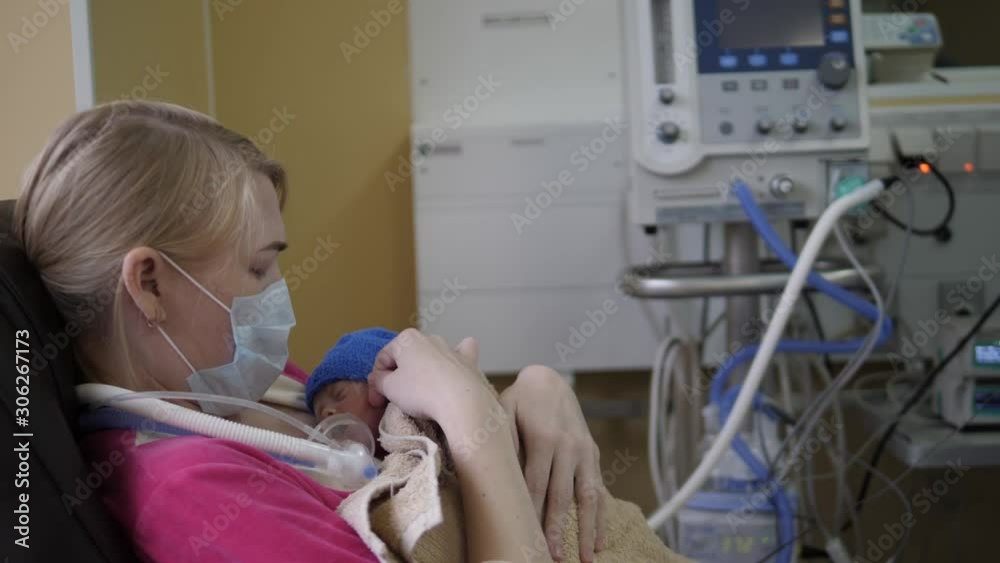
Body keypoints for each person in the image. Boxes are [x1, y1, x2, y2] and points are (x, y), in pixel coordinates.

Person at [15, 101, 607, 563]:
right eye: (257, 268)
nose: (279, 293)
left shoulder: (247, 391)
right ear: (149, 284)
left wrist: (533, 390)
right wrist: (474, 417)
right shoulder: (191, 491)